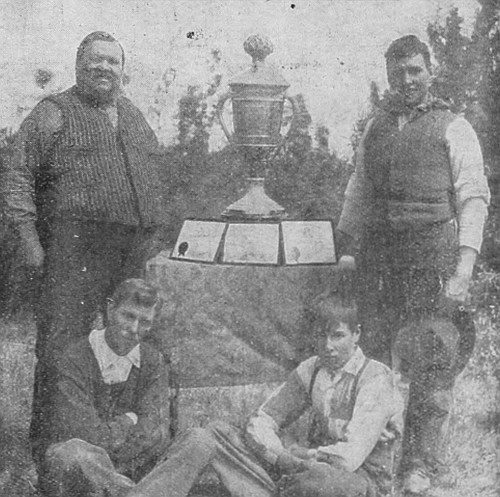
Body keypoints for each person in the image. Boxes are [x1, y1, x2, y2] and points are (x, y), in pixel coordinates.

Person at [335, 35, 490, 495]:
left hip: (432, 265)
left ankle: (420, 466)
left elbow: (474, 199)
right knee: (373, 366)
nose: (407, 80)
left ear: (430, 71)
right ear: (387, 75)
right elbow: (356, 194)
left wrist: (464, 268)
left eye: (415, 70)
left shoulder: (453, 126)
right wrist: (347, 250)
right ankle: (373, 460)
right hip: (378, 265)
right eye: (398, 72)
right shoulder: (375, 128)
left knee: (432, 363)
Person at [2, 31, 167, 462]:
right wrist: (30, 244)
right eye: (96, 60)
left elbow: (152, 179)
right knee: (61, 349)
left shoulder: (133, 116)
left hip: (130, 248)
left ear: (123, 70)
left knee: (131, 342)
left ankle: (126, 448)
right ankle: (49, 453)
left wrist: (154, 244)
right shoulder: (53, 113)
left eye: (113, 61)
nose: (104, 69)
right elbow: (18, 177)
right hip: (72, 247)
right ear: (79, 64)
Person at [109, 299, 403, 497]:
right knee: (211, 434)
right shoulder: (312, 369)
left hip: (357, 482)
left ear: (356, 335)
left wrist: (300, 455)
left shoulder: (375, 378)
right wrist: (282, 456)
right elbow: (261, 421)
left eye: (337, 336)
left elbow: (349, 459)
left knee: (319, 481)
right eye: (319, 336)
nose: (327, 347)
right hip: (296, 473)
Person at [40, 279, 170, 496]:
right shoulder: (73, 359)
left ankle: (122, 489)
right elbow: (87, 435)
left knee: (196, 441)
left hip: (130, 466)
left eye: (145, 322)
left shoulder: (153, 361)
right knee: (73, 453)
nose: (134, 329)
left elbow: (153, 434)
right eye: (128, 316)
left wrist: (116, 449)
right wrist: (130, 419)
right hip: (81, 466)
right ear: (110, 309)